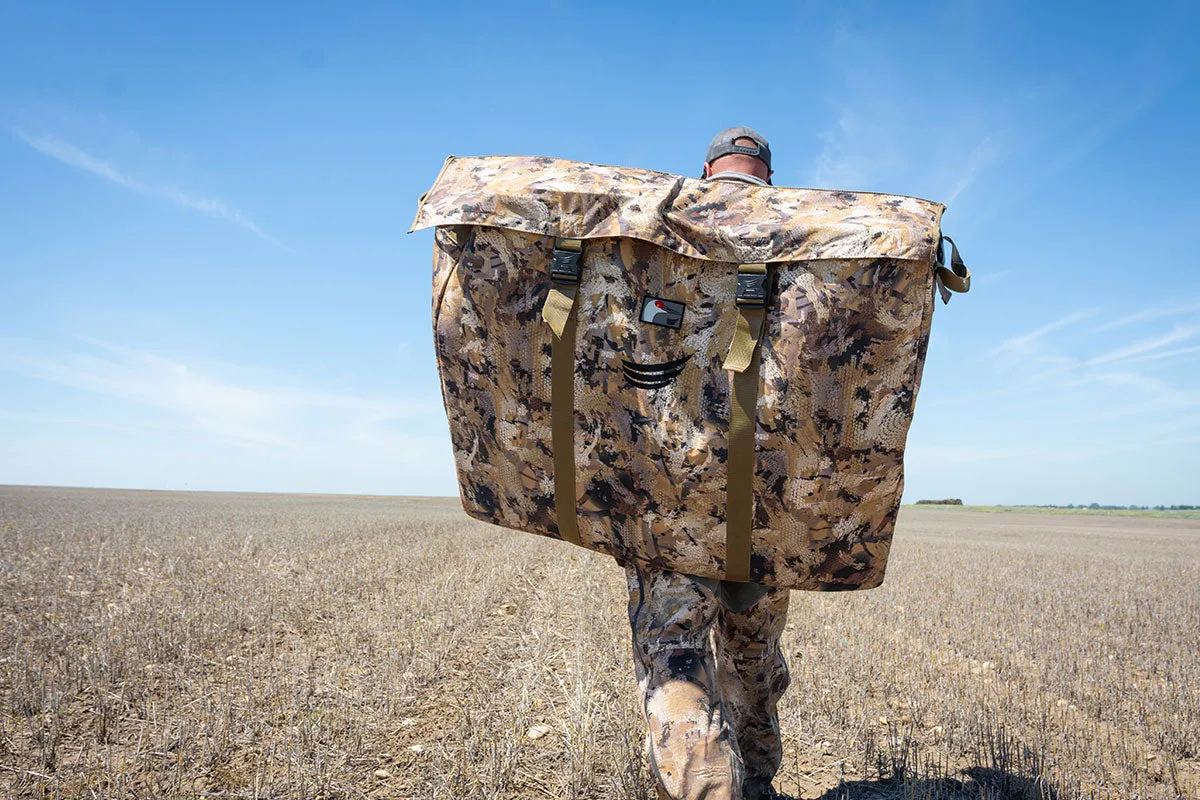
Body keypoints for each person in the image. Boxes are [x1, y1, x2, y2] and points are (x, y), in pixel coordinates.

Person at [624, 127, 791, 800]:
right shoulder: (802, 237)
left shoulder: (662, 230)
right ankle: (757, 789)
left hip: (670, 499)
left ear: (706, 170)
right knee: (752, 664)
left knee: (676, 664)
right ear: (769, 177)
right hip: (768, 508)